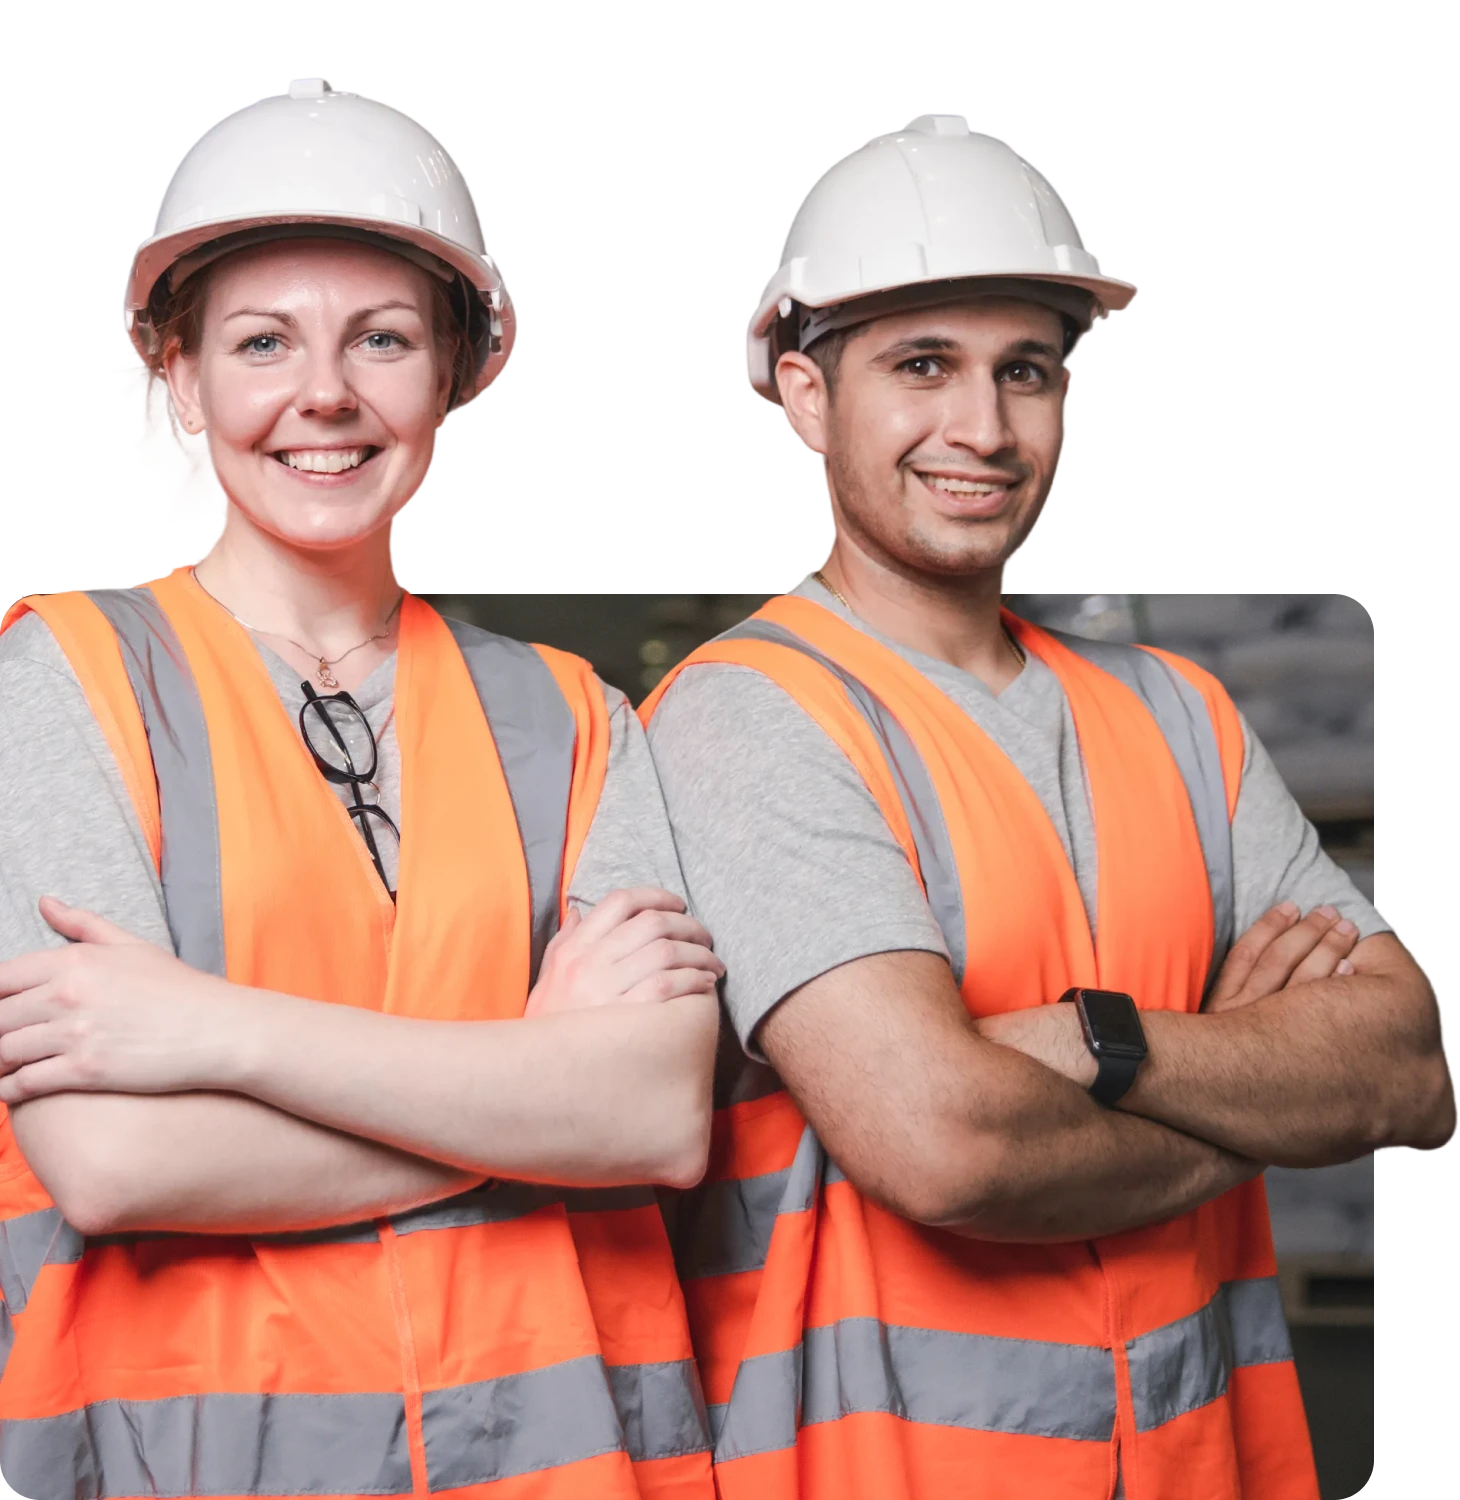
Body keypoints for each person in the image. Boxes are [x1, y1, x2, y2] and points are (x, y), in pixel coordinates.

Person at [638, 116, 1453, 1500]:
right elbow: (947, 1144)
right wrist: (1267, 1083)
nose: (985, 428)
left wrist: (1097, 1042)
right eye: (921, 367)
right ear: (804, 395)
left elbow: (1412, 1068)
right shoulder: (751, 717)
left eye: (1029, 371)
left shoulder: (1179, 714)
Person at [0, 76, 719, 1498]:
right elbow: (115, 1159)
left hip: (554, 1467)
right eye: (264, 342)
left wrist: (211, 1028)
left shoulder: (574, 720)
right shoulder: (64, 677)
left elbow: (652, 1120)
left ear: (454, 372)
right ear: (184, 383)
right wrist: (530, 1104)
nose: (324, 394)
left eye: (381, 339)